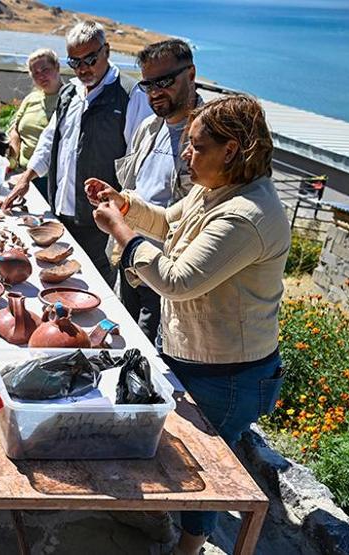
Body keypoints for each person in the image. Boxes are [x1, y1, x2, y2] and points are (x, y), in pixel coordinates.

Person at [87, 95, 289, 555]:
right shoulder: (215, 190)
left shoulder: (247, 216)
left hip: (228, 375)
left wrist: (121, 230)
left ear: (232, 150)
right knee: (180, 451)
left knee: (208, 468)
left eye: (196, 146)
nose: (185, 153)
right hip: (200, 358)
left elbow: (177, 281)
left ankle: (190, 545)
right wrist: (125, 204)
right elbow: (166, 223)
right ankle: (163, 521)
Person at [2, 20, 152, 286]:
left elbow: (141, 161)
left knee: (95, 287)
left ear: (107, 50)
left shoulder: (130, 95)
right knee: (55, 282)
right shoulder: (69, 92)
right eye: (75, 62)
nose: (83, 68)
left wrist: (126, 217)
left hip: (100, 222)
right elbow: (51, 139)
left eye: (90, 59)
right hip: (59, 212)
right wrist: (27, 177)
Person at [107, 39, 203, 344]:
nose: (155, 92)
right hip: (130, 261)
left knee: (150, 354)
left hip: (166, 274)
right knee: (124, 343)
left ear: (191, 74)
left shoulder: (209, 134)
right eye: (148, 85)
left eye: (164, 81)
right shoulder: (149, 127)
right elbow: (136, 187)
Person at [6, 48, 64, 200]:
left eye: (45, 69)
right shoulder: (31, 99)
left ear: (57, 67)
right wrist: (12, 161)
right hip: (21, 174)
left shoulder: (70, 99)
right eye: (35, 72)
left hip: (50, 180)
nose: (41, 76)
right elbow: (15, 131)